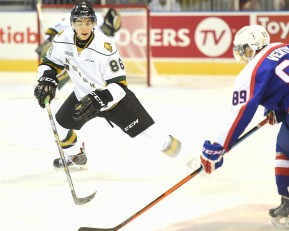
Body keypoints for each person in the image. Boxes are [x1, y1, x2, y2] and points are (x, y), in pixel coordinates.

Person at [34, 0, 182, 169]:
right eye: (79, 22)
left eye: (88, 22)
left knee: (154, 137)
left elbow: (120, 85)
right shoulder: (62, 39)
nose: (84, 27)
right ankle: (77, 156)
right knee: (59, 125)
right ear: (72, 23)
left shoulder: (105, 46)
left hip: (114, 101)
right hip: (82, 97)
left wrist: (100, 98)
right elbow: (49, 62)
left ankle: (188, 159)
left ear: (94, 23)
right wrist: (46, 78)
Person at [199, 24, 289, 228]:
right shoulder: (282, 47)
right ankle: (287, 201)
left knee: (284, 150)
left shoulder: (253, 69)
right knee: (284, 147)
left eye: (244, 49)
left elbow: (241, 112)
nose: (242, 55)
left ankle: (288, 203)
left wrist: (219, 145)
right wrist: (281, 109)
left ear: (253, 46)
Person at [36, 0, 121, 89]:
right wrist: (50, 39)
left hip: (82, 52)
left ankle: (52, 84)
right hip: (68, 46)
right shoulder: (70, 19)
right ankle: (48, 82)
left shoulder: (99, 25)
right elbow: (54, 30)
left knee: (75, 67)